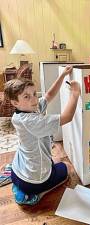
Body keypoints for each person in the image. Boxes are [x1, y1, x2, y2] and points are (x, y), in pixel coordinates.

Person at [4, 66, 81, 205]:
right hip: (33, 181)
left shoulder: (22, 111)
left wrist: (63, 75)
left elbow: (49, 95)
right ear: (15, 102)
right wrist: (75, 94)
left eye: (34, 93)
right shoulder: (32, 121)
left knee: (55, 160)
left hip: (17, 171)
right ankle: (35, 195)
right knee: (68, 168)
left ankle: (17, 182)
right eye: (27, 96)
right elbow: (67, 117)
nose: (34, 99)